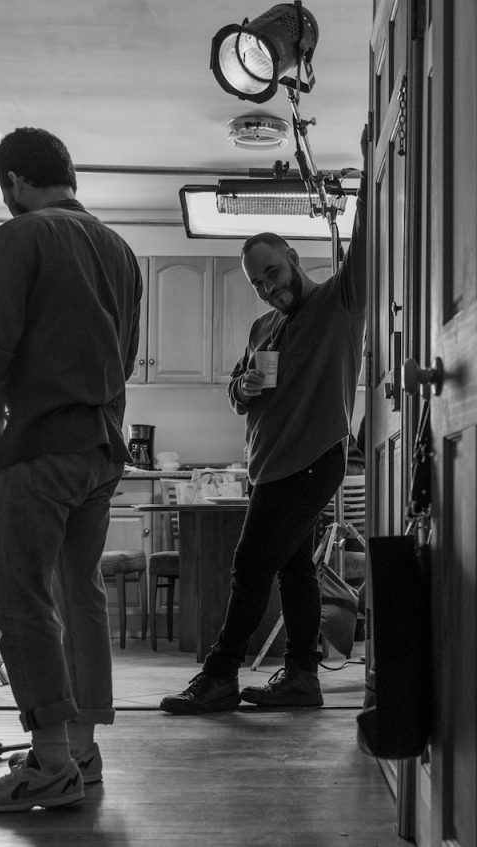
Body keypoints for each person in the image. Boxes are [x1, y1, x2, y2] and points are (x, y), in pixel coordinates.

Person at [0, 127, 143, 813]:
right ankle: (81, 754)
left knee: (20, 598)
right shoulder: (121, 250)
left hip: (39, 443)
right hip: (100, 448)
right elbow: (125, 353)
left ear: (14, 181)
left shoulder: (20, 236)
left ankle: (49, 763)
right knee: (78, 592)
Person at [160, 127, 368, 715]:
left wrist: (369, 163)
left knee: (251, 562)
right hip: (269, 466)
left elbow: (369, 238)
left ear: (294, 259)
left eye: (273, 273)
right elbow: (237, 392)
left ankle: (221, 672)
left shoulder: (338, 302)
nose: (268, 287)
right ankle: (303, 676)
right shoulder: (262, 329)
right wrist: (242, 387)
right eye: (258, 282)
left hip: (312, 459)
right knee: (293, 567)